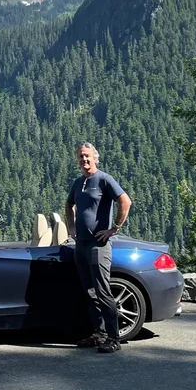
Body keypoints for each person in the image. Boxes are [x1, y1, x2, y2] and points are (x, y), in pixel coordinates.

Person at [64, 142, 132, 354]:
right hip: (81, 244)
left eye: (87, 156)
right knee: (89, 291)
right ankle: (98, 333)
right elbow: (69, 205)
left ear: (95, 158)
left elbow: (125, 201)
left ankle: (114, 337)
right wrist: (71, 228)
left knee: (102, 291)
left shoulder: (104, 179)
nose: (84, 160)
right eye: (81, 157)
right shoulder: (79, 182)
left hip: (98, 245)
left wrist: (114, 229)